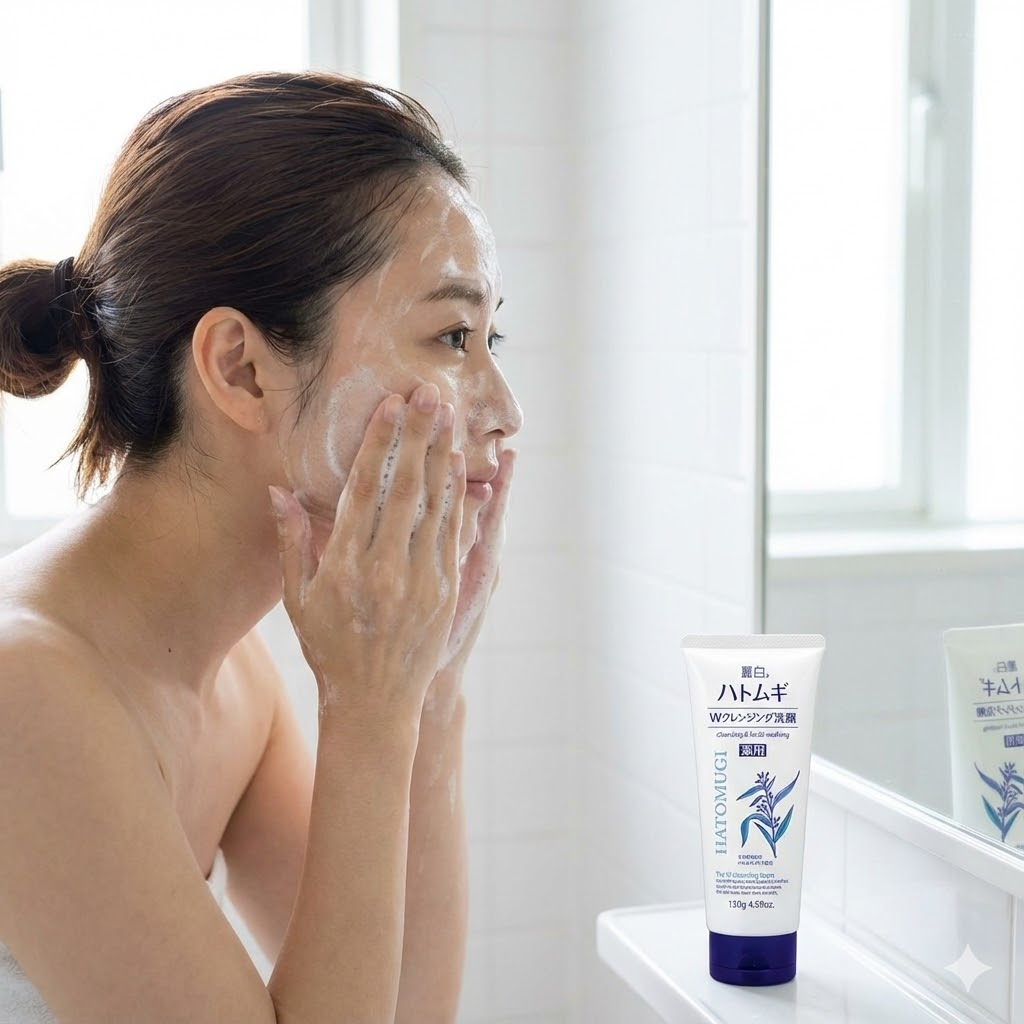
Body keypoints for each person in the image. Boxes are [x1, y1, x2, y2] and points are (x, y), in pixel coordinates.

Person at [0, 70, 522, 1024]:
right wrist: (368, 714)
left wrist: (430, 688)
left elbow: (407, 1012)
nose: (503, 410)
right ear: (240, 369)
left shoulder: (232, 678)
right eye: (453, 336)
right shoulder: (24, 689)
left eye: (495, 339)